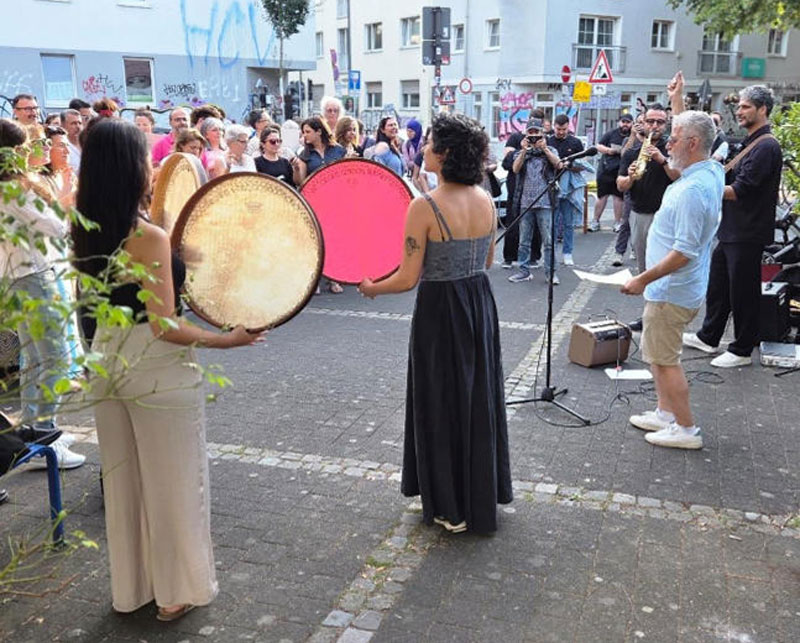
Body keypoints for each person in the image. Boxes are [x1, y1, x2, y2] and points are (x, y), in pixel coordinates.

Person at [71, 118, 263, 620]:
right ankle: (175, 592)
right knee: (174, 481)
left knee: (125, 483)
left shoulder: (82, 224)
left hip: (106, 359)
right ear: (130, 169)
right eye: (145, 159)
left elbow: (93, 302)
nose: (153, 166)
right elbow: (164, 325)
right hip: (156, 367)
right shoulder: (147, 236)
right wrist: (226, 340)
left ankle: (131, 589)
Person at [358, 113, 512, 533]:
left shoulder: (423, 206)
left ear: (443, 155)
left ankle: (450, 506)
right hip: (478, 302)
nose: (423, 148)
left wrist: (371, 288)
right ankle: (477, 494)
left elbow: (407, 278)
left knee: (440, 400)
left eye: (429, 143)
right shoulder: (484, 198)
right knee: (477, 396)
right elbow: (488, 260)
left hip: (440, 309)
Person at [622, 111, 724, 449]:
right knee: (656, 354)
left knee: (666, 361)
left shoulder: (693, 189)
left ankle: (686, 428)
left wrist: (641, 280)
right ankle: (665, 413)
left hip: (670, 290)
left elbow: (684, 251)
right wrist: (678, 100)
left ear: (693, 143)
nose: (668, 141)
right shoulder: (710, 169)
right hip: (674, 288)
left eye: (675, 138)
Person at [0, 119, 85, 468]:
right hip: (33, 276)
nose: (29, 153)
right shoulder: (13, 190)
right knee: (54, 361)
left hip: (18, 280)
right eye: (23, 147)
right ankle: (44, 434)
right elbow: (53, 226)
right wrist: (67, 199)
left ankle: (37, 433)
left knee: (36, 360)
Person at [683, 85, 783, 368]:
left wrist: (703, 188)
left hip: (747, 230)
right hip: (732, 228)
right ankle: (709, 336)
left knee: (743, 291)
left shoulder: (767, 146)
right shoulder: (752, 141)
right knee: (718, 285)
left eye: (745, 106)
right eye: (738, 106)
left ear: (762, 109)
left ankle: (741, 349)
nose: (739, 111)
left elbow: (741, 189)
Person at [617, 104, 680, 276]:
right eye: (650, 121)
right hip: (640, 214)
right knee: (643, 267)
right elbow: (620, 185)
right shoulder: (632, 152)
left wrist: (662, 160)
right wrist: (630, 177)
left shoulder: (674, 150)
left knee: (665, 266)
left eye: (660, 122)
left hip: (667, 215)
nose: (654, 126)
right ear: (643, 123)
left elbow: (679, 177)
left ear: (666, 124)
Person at [507, 117, 562, 285]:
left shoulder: (550, 149)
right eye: (530, 133)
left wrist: (545, 149)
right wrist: (524, 151)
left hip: (545, 202)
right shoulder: (521, 151)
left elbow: (559, 165)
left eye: (536, 133)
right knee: (524, 241)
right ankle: (524, 271)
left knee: (548, 241)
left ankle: (550, 273)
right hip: (526, 203)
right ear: (525, 134)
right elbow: (515, 169)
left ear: (542, 133)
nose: (533, 136)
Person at [548, 113, 586, 266]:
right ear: (553, 126)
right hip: (551, 187)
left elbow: (582, 166)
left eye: (564, 129)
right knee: (552, 223)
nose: (561, 132)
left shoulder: (575, 143)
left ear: (568, 127)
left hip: (569, 189)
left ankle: (567, 253)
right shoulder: (548, 141)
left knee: (568, 223)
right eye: (558, 129)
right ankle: (552, 254)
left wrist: (570, 166)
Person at [590, 114, 632, 231]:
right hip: (606, 170)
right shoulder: (611, 133)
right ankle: (595, 221)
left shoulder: (632, 136)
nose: (625, 124)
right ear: (619, 122)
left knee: (618, 198)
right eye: (623, 121)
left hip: (621, 171)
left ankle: (617, 223)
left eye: (628, 122)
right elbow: (598, 145)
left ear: (632, 123)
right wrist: (609, 150)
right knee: (602, 196)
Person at [291, 116, 345, 185]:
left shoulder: (338, 150)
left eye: (308, 132)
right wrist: (296, 168)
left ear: (319, 132)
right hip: (315, 193)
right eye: (303, 132)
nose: (304, 135)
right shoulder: (304, 154)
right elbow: (300, 182)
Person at [61, 108, 83, 173]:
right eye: (73, 123)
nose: (78, 127)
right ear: (62, 125)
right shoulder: (62, 148)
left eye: (80, 123)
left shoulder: (87, 145)